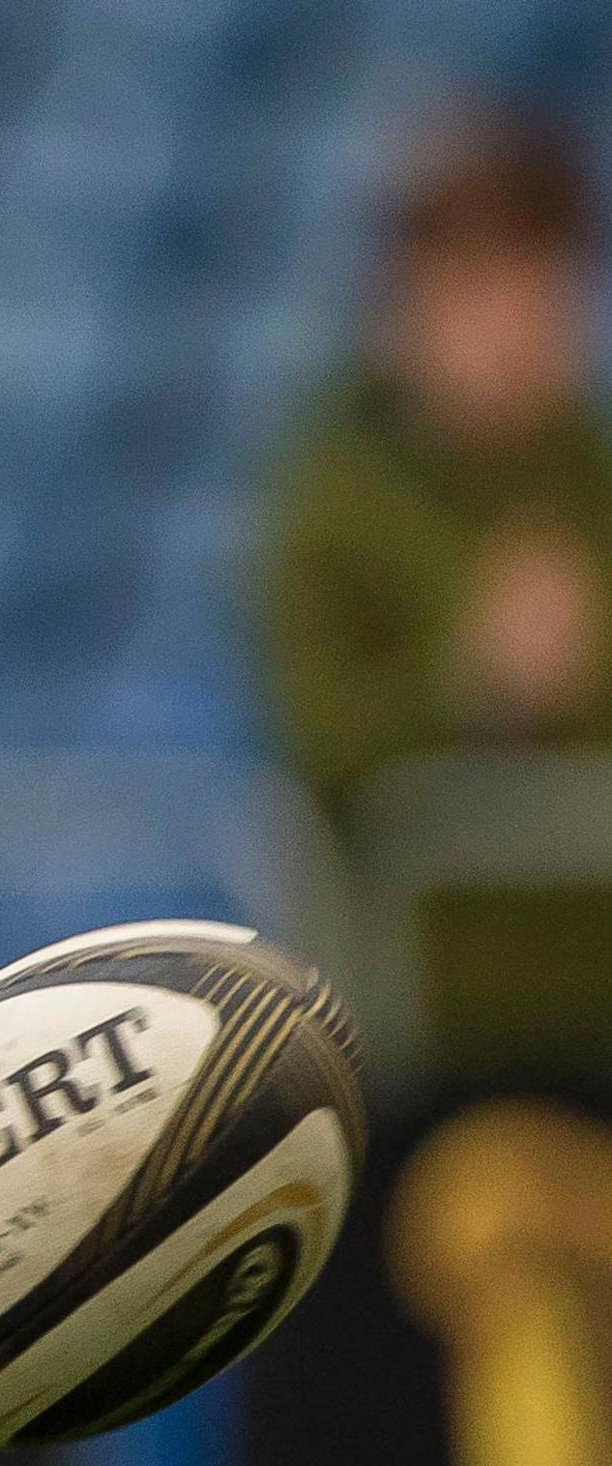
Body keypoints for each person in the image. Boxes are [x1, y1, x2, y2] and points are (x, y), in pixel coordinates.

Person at [263, 106, 612, 1076]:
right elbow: (321, 745)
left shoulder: (599, 485)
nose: (509, 321)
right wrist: (470, 684)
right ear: (402, 298)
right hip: (426, 1043)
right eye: (472, 283)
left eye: (538, 277)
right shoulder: (333, 501)